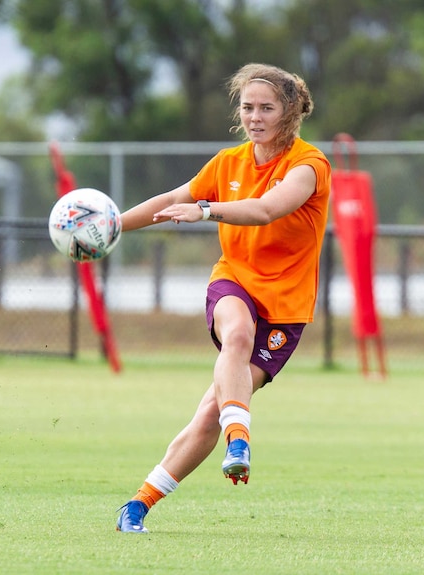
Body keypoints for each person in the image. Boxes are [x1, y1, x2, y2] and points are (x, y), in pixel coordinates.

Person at [115, 63, 331, 533]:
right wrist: (113, 225)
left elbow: (266, 208)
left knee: (212, 410)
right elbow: (167, 201)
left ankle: (137, 504)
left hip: (286, 307)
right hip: (235, 279)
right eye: (247, 107)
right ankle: (241, 440)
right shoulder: (227, 162)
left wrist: (206, 210)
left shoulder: (309, 165)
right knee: (235, 334)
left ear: (290, 112)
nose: (254, 117)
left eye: (266, 108)